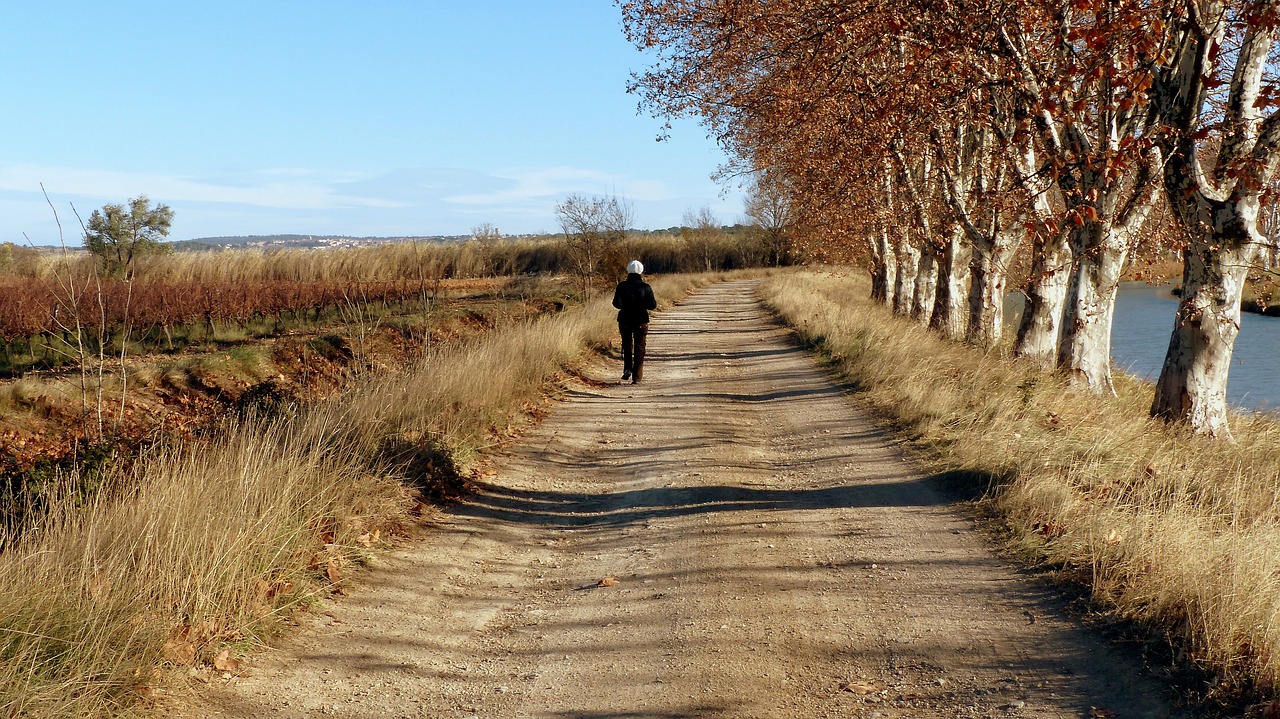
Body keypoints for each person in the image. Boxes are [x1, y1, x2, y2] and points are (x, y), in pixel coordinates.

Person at [612, 260, 657, 383]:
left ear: (628, 271)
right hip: (641, 321)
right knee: (640, 347)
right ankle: (637, 376)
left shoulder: (621, 286)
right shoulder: (646, 287)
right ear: (641, 271)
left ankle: (627, 368)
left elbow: (617, 304)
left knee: (626, 345)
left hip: (625, 320)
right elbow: (652, 305)